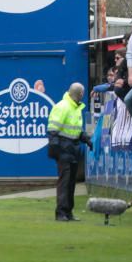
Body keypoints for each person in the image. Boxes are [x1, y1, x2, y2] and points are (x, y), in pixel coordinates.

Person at [47, 83, 91, 222]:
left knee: (71, 183)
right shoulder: (63, 106)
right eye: (82, 93)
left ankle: (68, 212)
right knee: (65, 182)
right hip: (64, 149)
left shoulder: (75, 107)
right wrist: (57, 150)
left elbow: (75, 130)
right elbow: (53, 130)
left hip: (72, 149)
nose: (83, 95)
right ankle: (61, 212)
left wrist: (85, 138)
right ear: (79, 94)